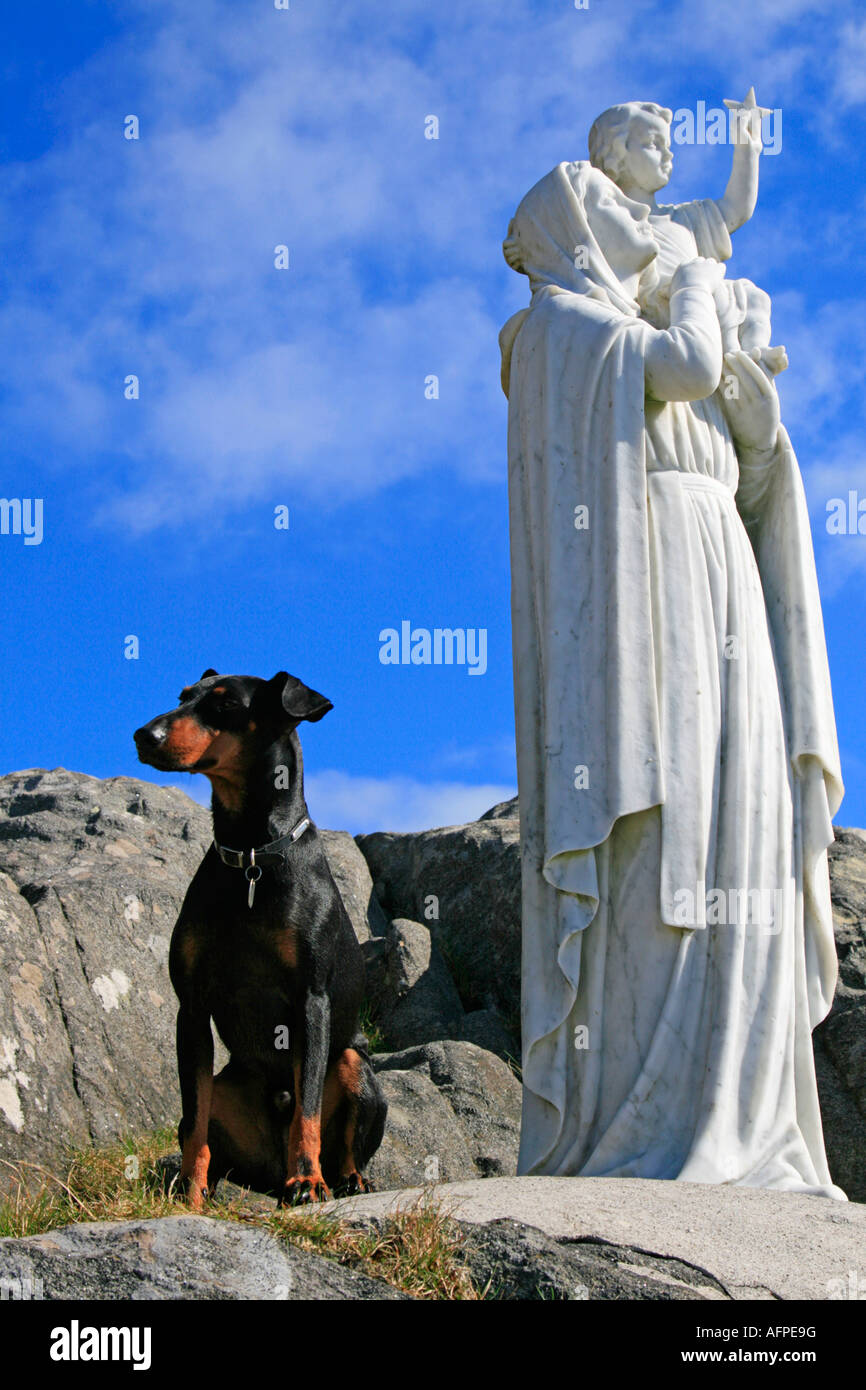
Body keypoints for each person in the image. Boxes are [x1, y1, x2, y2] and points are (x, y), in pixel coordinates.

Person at [500, 159, 845, 1196]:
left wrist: (754, 413)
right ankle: (642, 1116)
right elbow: (681, 368)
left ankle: (739, 1110)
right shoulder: (561, 333)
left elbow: (742, 463)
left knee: (744, 815)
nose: (639, 219)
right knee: (668, 826)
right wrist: (696, 288)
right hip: (644, 603)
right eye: (613, 209)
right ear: (574, 231)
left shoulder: (630, 331)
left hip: (719, 571)